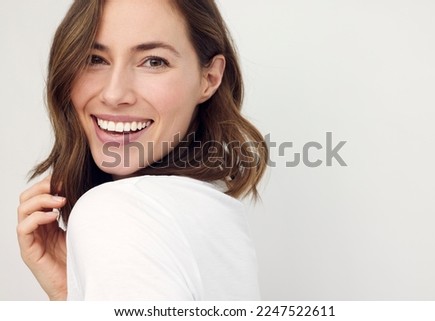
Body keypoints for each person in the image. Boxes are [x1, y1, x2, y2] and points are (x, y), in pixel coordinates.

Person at [17, 0, 268, 301]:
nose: (114, 94)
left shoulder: (117, 210)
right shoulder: (209, 212)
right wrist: (72, 294)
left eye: (153, 61)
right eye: (95, 59)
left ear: (209, 78)